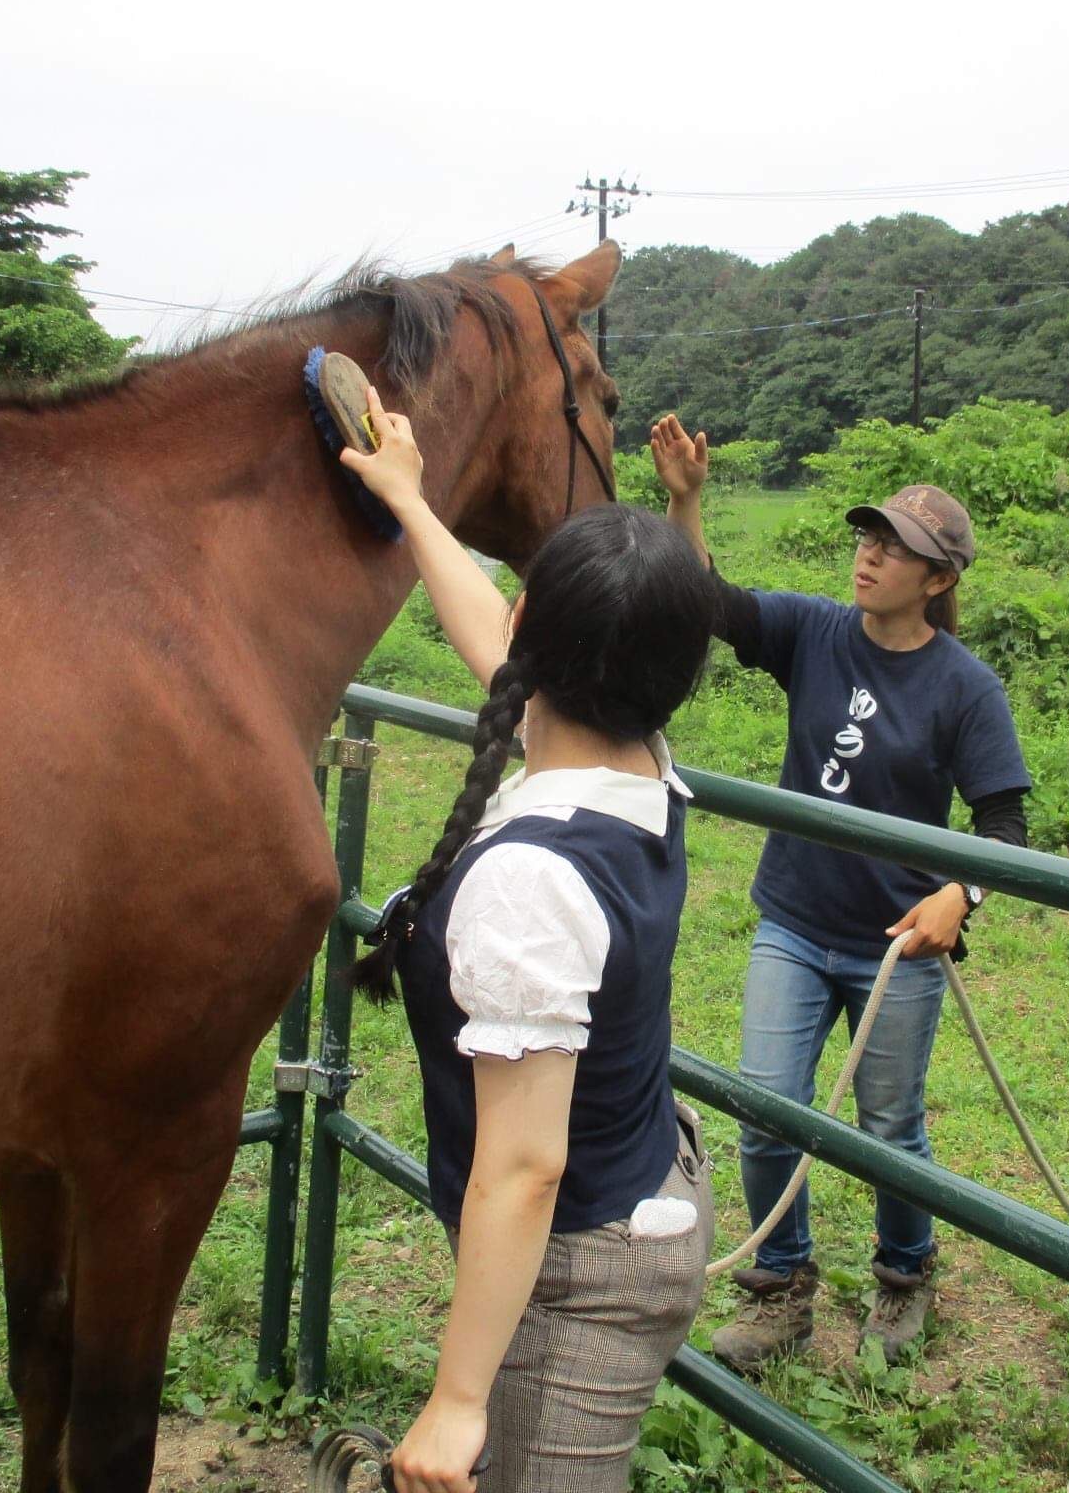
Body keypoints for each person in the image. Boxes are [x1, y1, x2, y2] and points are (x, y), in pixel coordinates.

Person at [337, 391, 720, 1493]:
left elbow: (522, 1164)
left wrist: (456, 1404)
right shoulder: (638, 756)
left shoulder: (526, 879)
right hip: (642, 1189)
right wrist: (411, 502)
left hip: (582, 1270)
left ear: (530, 640)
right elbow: (489, 630)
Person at [649, 414, 1031, 1369]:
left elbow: (1004, 829)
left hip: (897, 940)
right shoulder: (816, 632)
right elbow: (715, 605)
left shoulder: (965, 688)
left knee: (888, 1124)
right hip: (794, 921)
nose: (870, 557)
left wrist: (962, 898)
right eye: (868, 538)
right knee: (769, 1106)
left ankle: (906, 1277)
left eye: (895, 550)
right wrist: (686, 499)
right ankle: (781, 1288)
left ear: (937, 581)